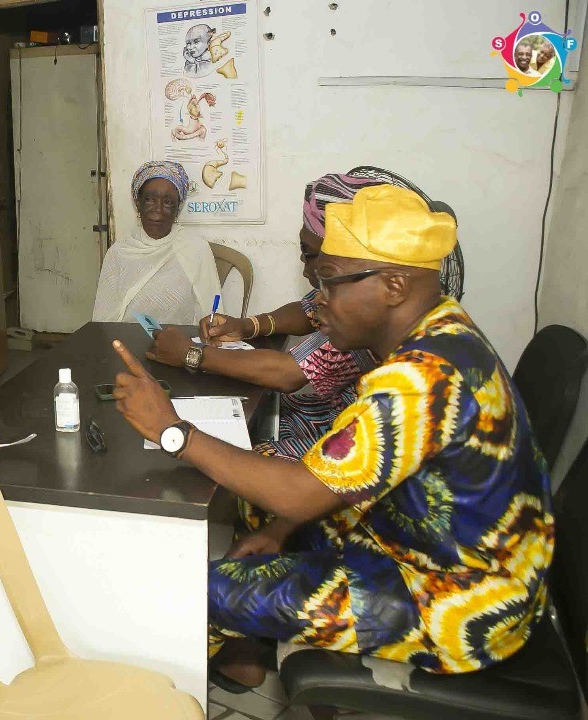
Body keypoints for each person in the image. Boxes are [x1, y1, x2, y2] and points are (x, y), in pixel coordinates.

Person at [110, 186, 553, 691]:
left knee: (198, 594)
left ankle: (189, 669)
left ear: (394, 286)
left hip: (458, 600)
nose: (318, 301)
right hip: (420, 541)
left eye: (330, 282)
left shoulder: (421, 377)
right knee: (256, 489)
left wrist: (172, 431)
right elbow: (333, 477)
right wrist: (280, 528)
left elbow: (300, 493)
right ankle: (248, 653)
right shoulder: (442, 326)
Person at [145, 171, 390, 461]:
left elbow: (288, 373)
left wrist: (191, 354)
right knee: (256, 417)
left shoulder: (366, 311)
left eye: (309, 252)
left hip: (357, 438)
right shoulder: (350, 291)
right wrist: (247, 326)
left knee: (233, 459)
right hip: (336, 409)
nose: (302, 261)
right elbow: (307, 310)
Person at [92, 161, 220, 326]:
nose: (158, 209)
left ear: (178, 208)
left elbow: (211, 317)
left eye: (168, 202)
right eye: (149, 200)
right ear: (138, 204)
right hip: (126, 339)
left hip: (181, 340)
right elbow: (104, 320)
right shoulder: (119, 253)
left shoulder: (196, 249)